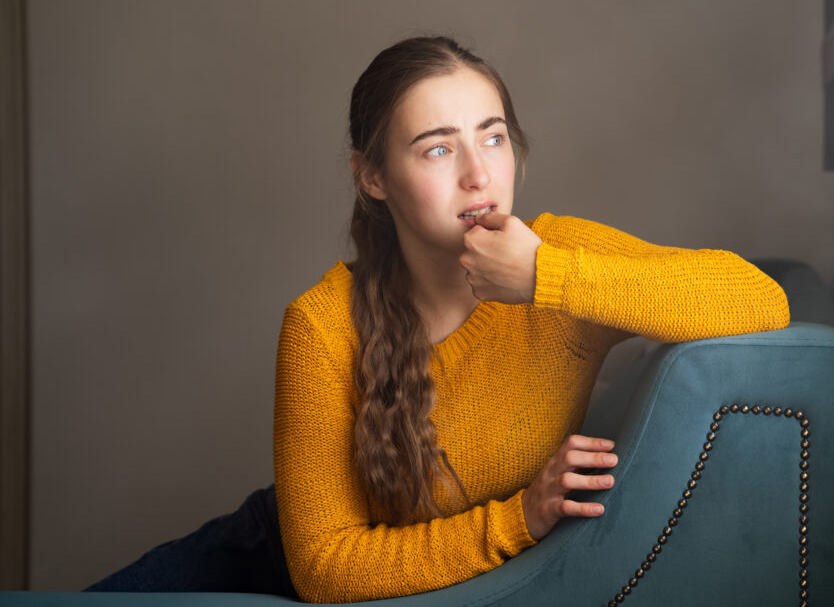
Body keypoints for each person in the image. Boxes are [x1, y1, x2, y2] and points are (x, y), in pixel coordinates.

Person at [87, 36, 790, 602]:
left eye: (492, 137)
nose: (478, 174)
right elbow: (326, 565)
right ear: (373, 176)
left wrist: (547, 276)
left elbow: (759, 297)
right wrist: (517, 520)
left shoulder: (560, 260)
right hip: (262, 560)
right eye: (436, 147)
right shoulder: (321, 324)